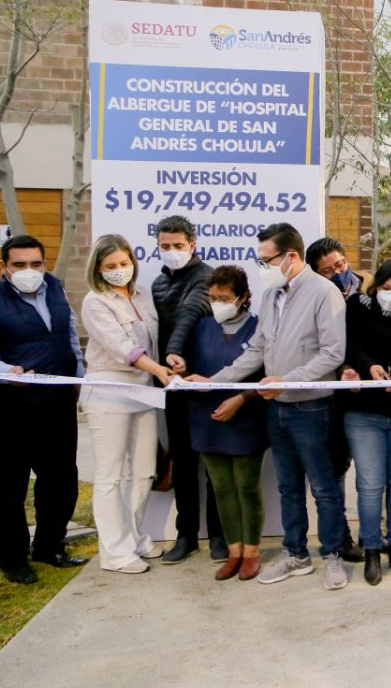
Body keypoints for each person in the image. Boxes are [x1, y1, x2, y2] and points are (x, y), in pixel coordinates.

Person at [189, 223, 350, 590]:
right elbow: (257, 350)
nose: (262, 266)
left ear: (291, 256)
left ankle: (333, 555)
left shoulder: (324, 292)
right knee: (288, 487)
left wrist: (287, 380)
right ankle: (296, 554)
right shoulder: (270, 295)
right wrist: (214, 381)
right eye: (259, 260)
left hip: (312, 408)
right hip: (276, 409)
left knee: (324, 489)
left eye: (267, 259)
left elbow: (332, 352)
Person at [0, 235, 87, 583]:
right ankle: (12, 558)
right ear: (3, 267)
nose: (29, 271)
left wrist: (79, 374)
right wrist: (8, 373)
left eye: (36, 264)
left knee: (61, 479)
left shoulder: (55, 288)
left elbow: (67, 334)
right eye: (19, 265)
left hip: (58, 402)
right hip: (12, 406)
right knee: (10, 485)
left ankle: (49, 547)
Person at [80, 234, 173, 574]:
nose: (119, 271)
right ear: (98, 269)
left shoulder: (143, 295)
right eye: (111, 267)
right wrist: (159, 370)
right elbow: (124, 349)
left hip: (144, 389)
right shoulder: (95, 301)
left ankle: (132, 536)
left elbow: (153, 341)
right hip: (109, 389)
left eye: (124, 264)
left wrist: (167, 365)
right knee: (111, 476)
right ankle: (114, 552)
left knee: (144, 470)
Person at [339, 259, 391, 585]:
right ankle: (372, 549)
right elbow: (348, 345)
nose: (390, 295)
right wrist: (369, 366)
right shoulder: (356, 306)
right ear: (375, 287)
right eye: (385, 289)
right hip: (363, 412)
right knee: (370, 484)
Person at [151, 216, 226, 565]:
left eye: (178, 246)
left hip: (205, 382)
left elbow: (190, 314)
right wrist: (164, 367)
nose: (171, 252)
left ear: (192, 244)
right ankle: (185, 536)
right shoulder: (156, 284)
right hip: (172, 384)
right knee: (182, 462)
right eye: (165, 246)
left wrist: (175, 351)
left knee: (212, 462)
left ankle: (218, 537)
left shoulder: (206, 277)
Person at [187, 266, 269, 581]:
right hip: (206, 418)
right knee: (221, 488)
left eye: (225, 298)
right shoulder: (202, 327)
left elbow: (265, 375)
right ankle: (234, 551)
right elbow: (193, 368)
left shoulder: (259, 328)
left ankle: (251, 551)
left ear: (244, 297)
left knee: (246, 486)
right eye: (213, 298)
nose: (218, 303)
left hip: (245, 417)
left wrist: (240, 400)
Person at [305, 236, 370, 563]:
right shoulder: (313, 299)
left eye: (340, 265)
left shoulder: (370, 291)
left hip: (368, 395)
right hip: (330, 395)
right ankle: (339, 534)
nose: (338, 273)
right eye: (328, 271)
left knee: (371, 470)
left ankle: (372, 532)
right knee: (335, 469)